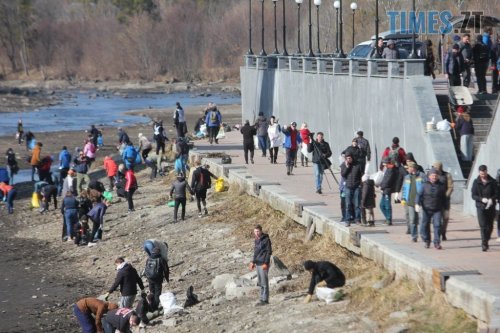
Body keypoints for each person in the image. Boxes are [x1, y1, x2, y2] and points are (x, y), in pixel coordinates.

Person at [471, 165, 497, 252]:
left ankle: (487, 238)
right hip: (480, 206)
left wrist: (491, 199)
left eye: (484, 173)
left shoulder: (492, 181)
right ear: (479, 172)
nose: (483, 175)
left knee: (490, 226)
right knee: (483, 226)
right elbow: (473, 195)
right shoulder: (476, 182)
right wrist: (481, 199)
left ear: (487, 171)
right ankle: (484, 243)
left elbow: (497, 193)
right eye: (481, 174)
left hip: (491, 206)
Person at [418, 168, 446, 249]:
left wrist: (446, 208)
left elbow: (444, 198)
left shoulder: (441, 185)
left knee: (437, 225)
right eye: (432, 176)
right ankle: (427, 240)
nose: (434, 177)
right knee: (425, 225)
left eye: (435, 176)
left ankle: (436, 242)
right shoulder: (424, 185)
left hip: (437, 209)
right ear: (429, 176)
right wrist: (417, 203)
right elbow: (419, 195)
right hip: (426, 209)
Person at [401, 162, 425, 242]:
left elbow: (426, 187)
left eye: (409, 168)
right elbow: (404, 188)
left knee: (422, 219)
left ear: (413, 168)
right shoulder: (407, 177)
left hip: (420, 202)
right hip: (410, 202)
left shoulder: (422, 176)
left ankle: (423, 235)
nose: (408, 169)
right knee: (412, 220)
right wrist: (403, 198)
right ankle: (414, 236)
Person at [249, 224, 272, 306]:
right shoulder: (256, 240)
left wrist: (266, 263)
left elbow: (269, 252)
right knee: (261, 282)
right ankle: (262, 298)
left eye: (258, 231)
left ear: (261, 231)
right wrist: (253, 262)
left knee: (264, 282)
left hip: (263, 263)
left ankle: (265, 300)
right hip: (258, 263)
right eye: (255, 231)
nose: (257, 233)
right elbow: (256, 252)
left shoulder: (266, 239)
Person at [143, 246, 169, 312]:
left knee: (152, 292)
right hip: (158, 278)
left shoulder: (149, 259)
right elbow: (166, 270)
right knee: (157, 293)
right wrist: (167, 278)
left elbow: (146, 268)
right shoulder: (161, 259)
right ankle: (155, 307)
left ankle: (151, 305)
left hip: (150, 278)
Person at [433, 161, 454, 241]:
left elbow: (450, 187)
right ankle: (438, 233)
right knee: (437, 218)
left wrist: (445, 195)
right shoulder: (432, 175)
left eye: (437, 168)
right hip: (436, 200)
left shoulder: (447, 175)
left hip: (445, 201)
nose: (436, 170)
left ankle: (443, 232)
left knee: (445, 218)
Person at [340, 153, 363, 226]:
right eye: (347, 158)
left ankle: (358, 219)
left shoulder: (357, 165)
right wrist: (347, 167)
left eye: (350, 158)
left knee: (357, 204)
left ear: (352, 158)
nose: (349, 160)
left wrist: (360, 185)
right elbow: (343, 175)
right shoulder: (344, 165)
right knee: (348, 204)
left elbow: (361, 175)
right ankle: (347, 220)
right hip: (348, 186)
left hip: (356, 186)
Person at [379, 157, 399, 226]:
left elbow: (388, 180)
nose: (383, 164)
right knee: (381, 205)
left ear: (387, 162)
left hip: (387, 189)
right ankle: (387, 218)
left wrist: (382, 187)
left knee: (387, 205)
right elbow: (385, 179)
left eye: (384, 163)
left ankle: (389, 220)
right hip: (385, 189)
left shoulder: (391, 170)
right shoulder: (387, 169)